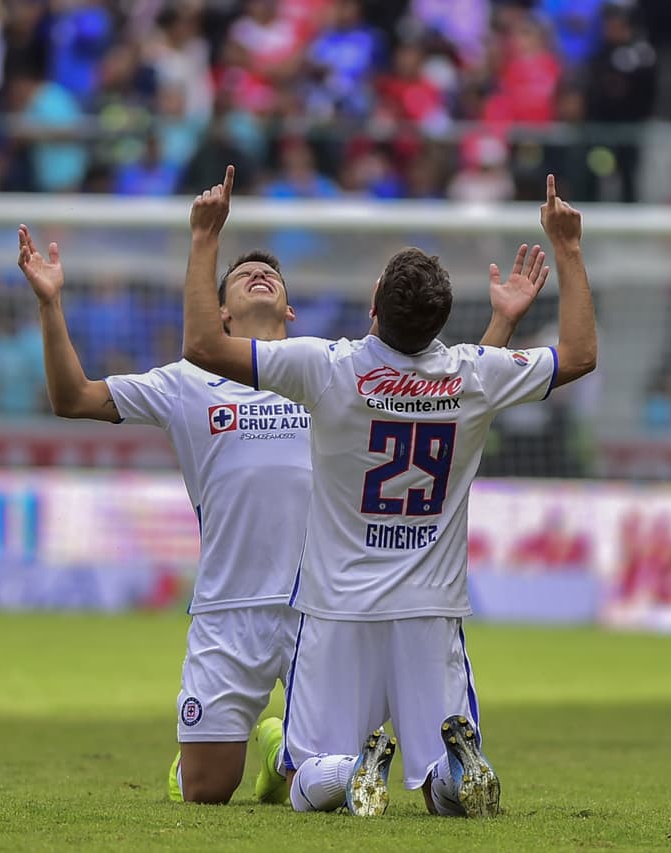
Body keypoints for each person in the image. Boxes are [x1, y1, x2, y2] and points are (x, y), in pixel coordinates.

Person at [15, 208, 544, 806]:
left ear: (291, 310)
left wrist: (501, 323)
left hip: (322, 608)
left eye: (272, 274)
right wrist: (50, 304)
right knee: (207, 790)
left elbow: (450, 394)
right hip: (229, 605)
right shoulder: (184, 382)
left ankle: (283, 755)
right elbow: (73, 398)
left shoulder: (333, 373)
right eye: (242, 275)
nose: (259, 274)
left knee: (322, 787)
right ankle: (269, 746)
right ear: (219, 313)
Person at [180, 167, 595, 817]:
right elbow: (579, 354)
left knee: (306, 772)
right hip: (429, 609)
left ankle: (348, 771)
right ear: (440, 320)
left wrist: (206, 236)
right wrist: (567, 250)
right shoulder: (472, 375)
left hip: (336, 609)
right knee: (438, 785)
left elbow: (206, 344)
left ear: (374, 302)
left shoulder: (328, 367)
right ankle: (453, 773)